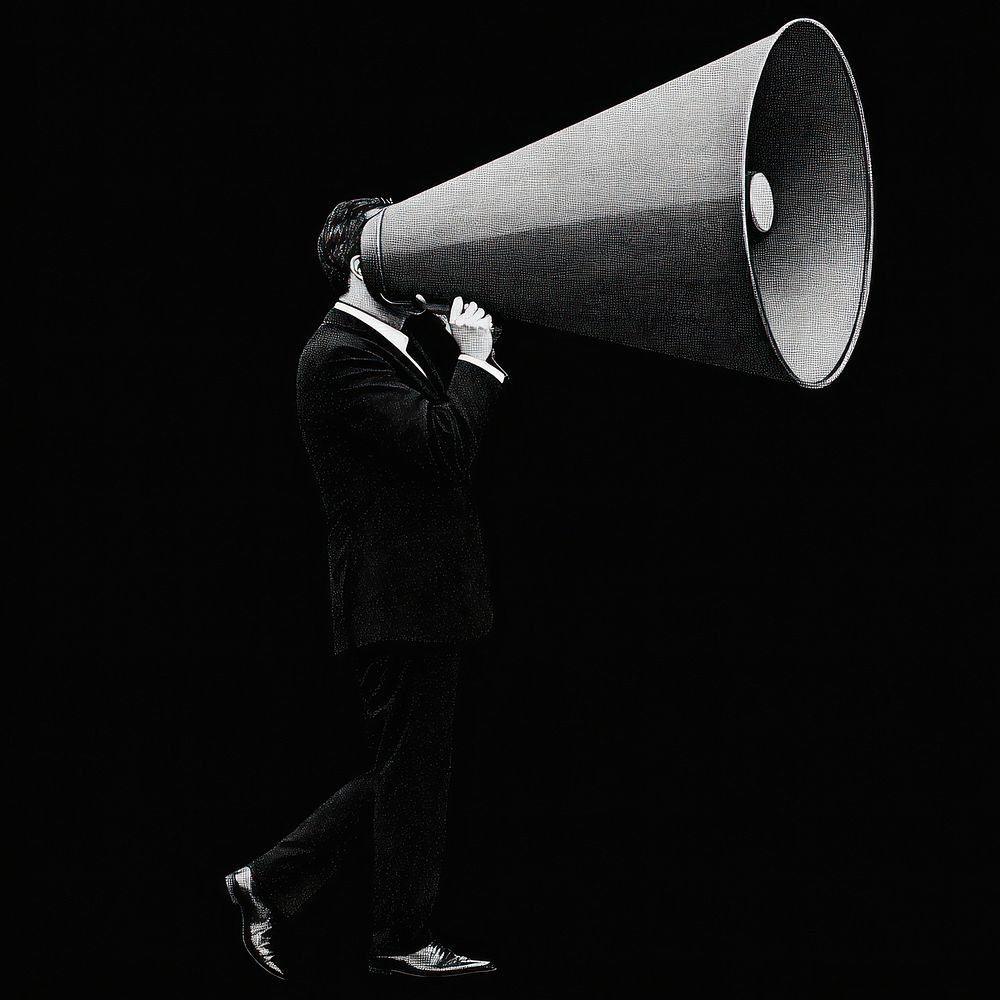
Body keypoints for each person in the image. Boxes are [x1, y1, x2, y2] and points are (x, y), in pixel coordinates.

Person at [224, 197, 505, 979]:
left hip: (420, 597)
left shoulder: (387, 342)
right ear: (361, 265)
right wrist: (478, 361)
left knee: (408, 772)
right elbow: (442, 447)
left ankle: (286, 891)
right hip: (400, 600)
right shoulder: (337, 354)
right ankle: (385, 935)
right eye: (399, 250)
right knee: (410, 772)